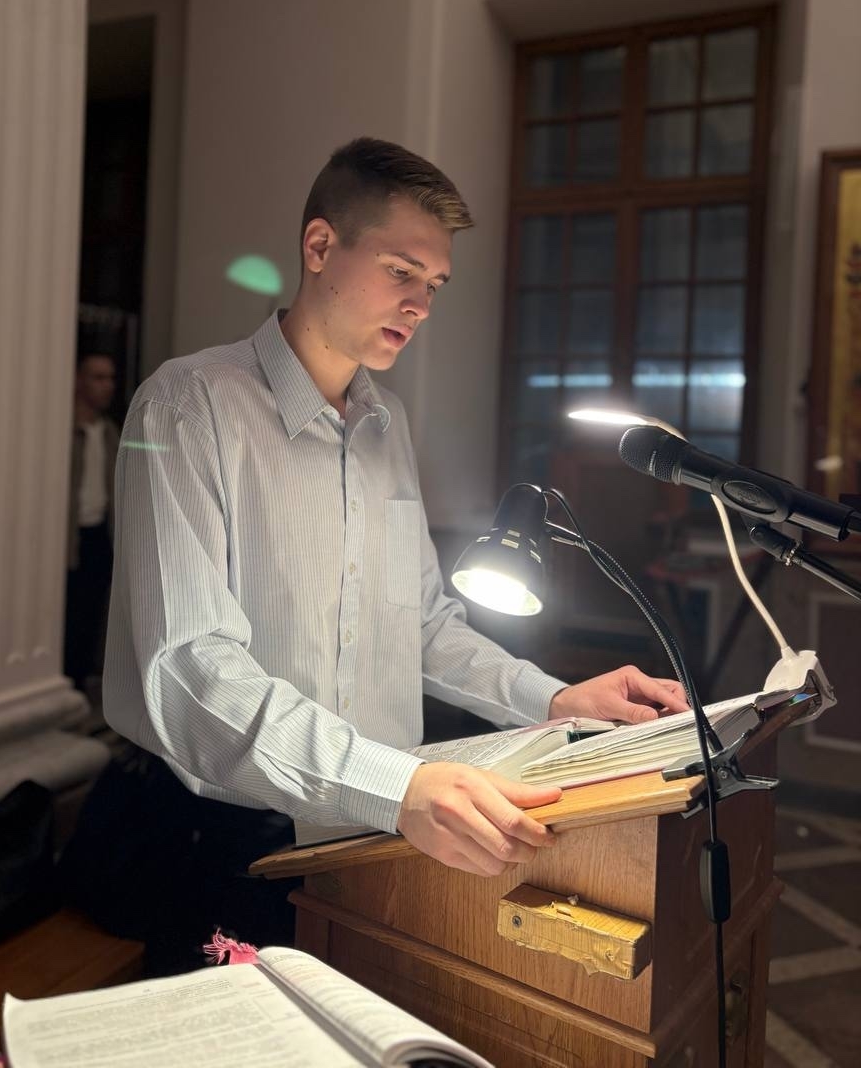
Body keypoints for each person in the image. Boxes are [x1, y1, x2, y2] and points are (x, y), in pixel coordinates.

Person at [98, 137, 687, 969]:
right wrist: (396, 786)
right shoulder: (190, 405)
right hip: (233, 836)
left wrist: (553, 700)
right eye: (401, 271)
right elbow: (194, 667)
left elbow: (422, 625)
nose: (420, 304)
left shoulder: (387, 422)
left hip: (376, 830)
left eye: (434, 285)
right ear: (319, 246)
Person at [65, 348, 120, 692]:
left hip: (101, 532)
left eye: (110, 378)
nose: (107, 385)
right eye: (98, 377)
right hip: (68, 534)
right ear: (78, 380)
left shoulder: (110, 432)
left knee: (93, 609)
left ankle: (83, 678)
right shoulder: (64, 428)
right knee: (65, 610)